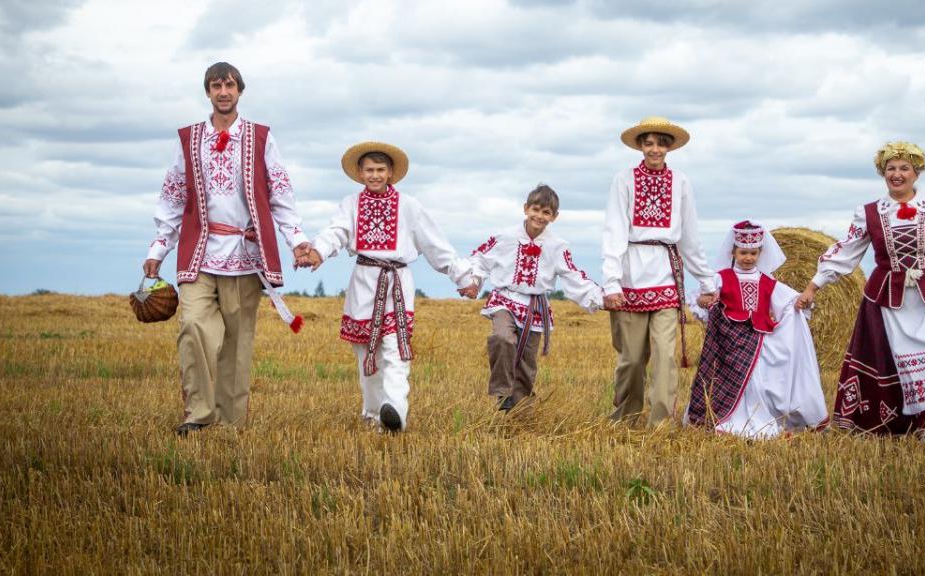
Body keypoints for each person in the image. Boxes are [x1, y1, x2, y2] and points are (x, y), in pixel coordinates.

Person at [144, 62, 312, 437]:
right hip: (199, 253)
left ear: (240, 91)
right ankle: (199, 414)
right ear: (207, 92)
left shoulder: (261, 137)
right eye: (216, 85)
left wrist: (297, 241)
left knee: (236, 343)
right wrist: (158, 249)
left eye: (230, 85)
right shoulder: (187, 139)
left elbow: (281, 195)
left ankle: (230, 422)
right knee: (192, 326)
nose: (223, 91)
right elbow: (172, 196)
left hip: (245, 254)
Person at [795, 141, 925, 439]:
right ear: (882, 173)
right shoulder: (870, 213)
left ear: (917, 173)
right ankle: (900, 424)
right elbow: (846, 251)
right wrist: (814, 285)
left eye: (904, 168)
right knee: (896, 361)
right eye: (891, 169)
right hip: (888, 299)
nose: (897, 174)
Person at [304, 142, 475, 432]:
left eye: (380, 169)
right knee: (365, 356)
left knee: (395, 351)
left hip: (397, 283)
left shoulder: (409, 206)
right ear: (359, 173)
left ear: (391, 172)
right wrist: (319, 250)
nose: (374, 175)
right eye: (369, 170)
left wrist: (462, 277)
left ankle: (394, 409)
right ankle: (373, 415)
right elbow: (337, 231)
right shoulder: (350, 204)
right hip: (363, 283)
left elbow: (435, 244)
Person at [601, 116, 718, 426]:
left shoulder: (681, 182)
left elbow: (690, 235)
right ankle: (624, 420)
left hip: (667, 276)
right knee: (632, 359)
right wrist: (611, 282)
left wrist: (707, 280)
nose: (655, 149)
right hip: (630, 276)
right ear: (640, 146)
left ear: (669, 147)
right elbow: (614, 231)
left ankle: (660, 425)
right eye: (649, 143)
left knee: (666, 357)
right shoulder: (623, 180)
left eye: (660, 143)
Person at [458, 184, 603, 411]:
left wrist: (598, 298)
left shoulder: (558, 246)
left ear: (554, 217)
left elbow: (573, 275)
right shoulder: (505, 236)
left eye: (546, 212)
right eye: (536, 209)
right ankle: (503, 393)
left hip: (535, 306)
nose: (540, 216)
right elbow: (480, 258)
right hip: (505, 299)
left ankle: (520, 408)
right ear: (526, 209)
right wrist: (473, 281)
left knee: (527, 362)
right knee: (503, 338)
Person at [685, 221, 828, 437]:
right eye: (743, 252)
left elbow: (788, 301)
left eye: (753, 253)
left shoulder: (767, 282)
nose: (748, 258)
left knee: (761, 383)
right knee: (725, 382)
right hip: (727, 343)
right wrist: (704, 299)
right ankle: (727, 419)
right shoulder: (722, 277)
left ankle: (760, 418)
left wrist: (800, 301)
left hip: (759, 340)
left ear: (760, 253)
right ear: (733, 251)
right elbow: (703, 297)